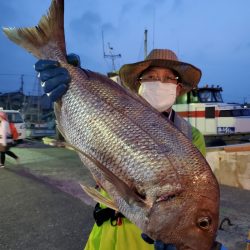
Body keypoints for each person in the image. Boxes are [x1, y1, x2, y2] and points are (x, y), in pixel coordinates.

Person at [34, 50, 227, 250]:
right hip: (104, 234)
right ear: (139, 85)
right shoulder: (112, 113)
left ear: (178, 89)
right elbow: (79, 136)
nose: (160, 82)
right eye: (151, 77)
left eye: (169, 78)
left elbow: (195, 196)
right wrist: (69, 87)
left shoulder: (191, 135)